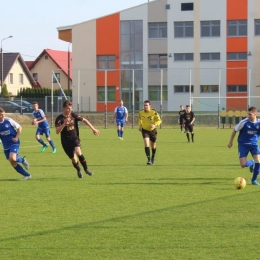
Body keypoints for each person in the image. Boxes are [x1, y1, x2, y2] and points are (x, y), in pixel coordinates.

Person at [55, 100, 100, 178]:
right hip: (65, 142)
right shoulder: (59, 119)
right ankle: (78, 169)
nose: (69, 110)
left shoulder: (73, 115)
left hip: (74, 138)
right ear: (64, 108)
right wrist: (64, 123)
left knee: (78, 152)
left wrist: (93, 129)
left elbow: (85, 120)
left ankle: (86, 169)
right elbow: (57, 131)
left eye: (71, 108)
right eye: (68, 108)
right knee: (74, 160)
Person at [227, 106, 260, 186]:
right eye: (247, 114)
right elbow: (235, 130)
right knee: (243, 164)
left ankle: (254, 180)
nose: (248, 116)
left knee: (258, 161)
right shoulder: (244, 122)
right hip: (243, 145)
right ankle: (252, 163)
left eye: (250, 114)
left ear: (255, 114)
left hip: (254, 144)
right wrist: (230, 141)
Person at [0, 107, 31, 180]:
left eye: (3, 114)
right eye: (1, 115)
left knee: (13, 158)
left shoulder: (8, 120)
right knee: (12, 162)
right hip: (5, 145)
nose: (3, 116)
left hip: (14, 142)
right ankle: (27, 175)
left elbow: (19, 127)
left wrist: (16, 137)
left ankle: (23, 160)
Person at [138, 100, 162, 165]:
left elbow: (159, 120)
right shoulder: (141, 112)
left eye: (147, 105)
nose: (145, 106)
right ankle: (148, 160)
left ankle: (153, 157)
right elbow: (140, 119)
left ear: (150, 106)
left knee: (153, 145)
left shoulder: (154, 112)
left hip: (152, 130)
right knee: (146, 143)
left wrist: (155, 125)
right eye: (144, 105)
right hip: (145, 130)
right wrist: (140, 126)